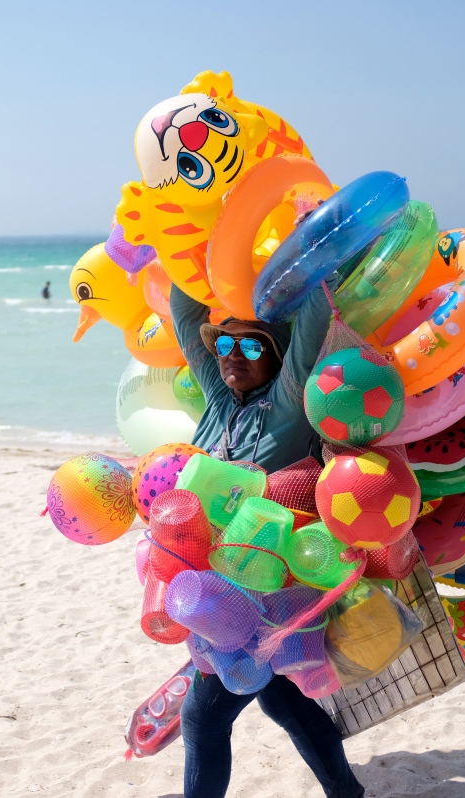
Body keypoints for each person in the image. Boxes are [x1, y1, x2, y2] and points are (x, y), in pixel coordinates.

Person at [171, 279, 364, 798]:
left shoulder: (288, 402)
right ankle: (349, 794)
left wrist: (318, 264)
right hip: (219, 582)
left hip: (269, 592)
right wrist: (178, 242)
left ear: (277, 360)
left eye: (253, 345)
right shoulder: (219, 398)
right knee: (284, 701)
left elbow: (310, 331)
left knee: (203, 719)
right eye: (227, 345)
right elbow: (186, 321)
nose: (235, 355)